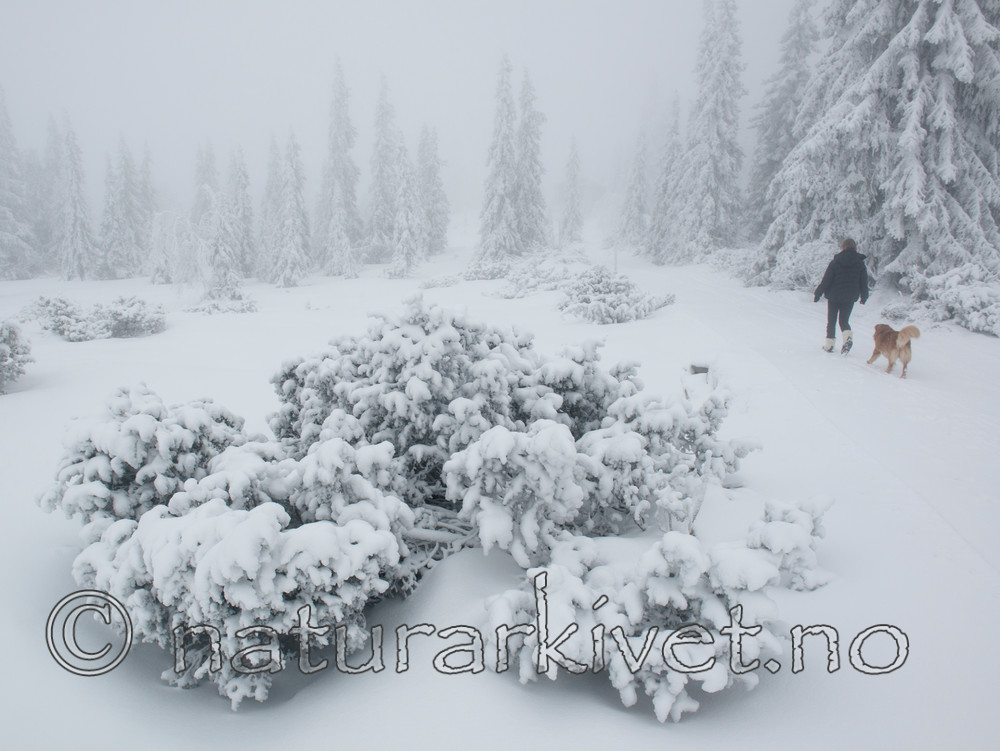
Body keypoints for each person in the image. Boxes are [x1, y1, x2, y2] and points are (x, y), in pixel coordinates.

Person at [813, 238, 869, 353]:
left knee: (831, 321)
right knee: (844, 321)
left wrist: (818, 293)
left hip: (834, 296)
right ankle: (847, 338)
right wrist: (864, 296)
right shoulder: (860, 264)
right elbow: (864, 282)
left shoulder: (836, 262)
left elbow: (826, 280)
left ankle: (829, 345)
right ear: (854, 248)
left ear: (842, 247)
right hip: (850, 297)